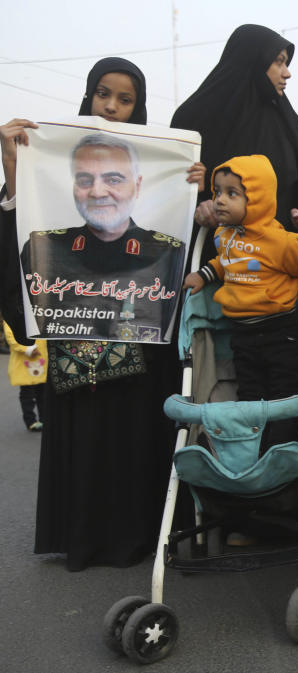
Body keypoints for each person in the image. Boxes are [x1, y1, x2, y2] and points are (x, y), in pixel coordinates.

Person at [0, 57, 203, 571]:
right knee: (87, 439)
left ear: (138, 183)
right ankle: (83, 538)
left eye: (125, 99)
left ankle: (140, 535)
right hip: (78, 359)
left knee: (136, 438)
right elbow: (17, 281)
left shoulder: (162, 242)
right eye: (102, 95)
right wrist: (14, 172)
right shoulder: (49, 243)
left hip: (144, 358)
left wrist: (190, 191)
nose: (111, 107)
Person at [171, 24, 298, 525]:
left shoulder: (286, 122)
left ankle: (292, 503)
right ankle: (228, 503)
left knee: (288, 396)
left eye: (286, 60)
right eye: (278, 61)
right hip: (225, 290)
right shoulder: (193, 119)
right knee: (235, 396)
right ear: (252, 62)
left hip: (285, 295)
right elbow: (173, 193)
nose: (286, 71)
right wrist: (198, 204)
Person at [183, 155, 298, 449]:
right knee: (250, 401)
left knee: (283, 402)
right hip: (243, 336)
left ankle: (281, 452)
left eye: (232, 194)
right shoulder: (225, 236)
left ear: (258, 199)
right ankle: (255, 455)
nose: (220, 200)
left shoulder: (282, 243)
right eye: (217, 192)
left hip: (281, 334)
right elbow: (224, 263)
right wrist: (204, 274)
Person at [20, 133, 185, 342]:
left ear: (138, 186)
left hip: (148, 374)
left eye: (113, 179)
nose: (97, 192)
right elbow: (22, 330)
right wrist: (10, 166)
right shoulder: (45, 248)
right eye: (84, 180)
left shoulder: (168, 252)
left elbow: (182, 335)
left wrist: (195, 197)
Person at [4, 320, 47, 431]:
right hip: (25, 362)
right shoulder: (13, 314)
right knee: (27, 395)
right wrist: (28, 349)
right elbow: (11, 336)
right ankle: (31, 421)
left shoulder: (40, 310)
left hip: (42, 359)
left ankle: (44, 419)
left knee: (42, 394)